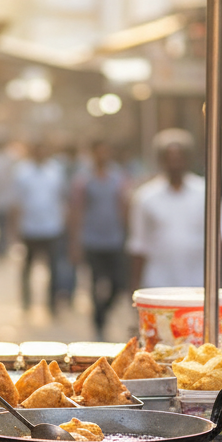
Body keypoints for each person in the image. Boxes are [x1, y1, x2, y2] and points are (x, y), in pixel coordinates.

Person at [127, 128, 222, 290]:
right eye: (169, 158)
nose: (174, 162)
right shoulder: (145, 197)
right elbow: (139, 245)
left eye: (179, 157)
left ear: (187, 159)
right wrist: (135, 283)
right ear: (161, 160)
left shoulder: (206, 192)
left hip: (200, 283)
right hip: (159, 284)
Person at [69, 140, 130, 340]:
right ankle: (98, 324)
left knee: (119, 284)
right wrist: (75, 242)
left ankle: (103, 312)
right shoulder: (84, 180)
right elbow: (77, 210)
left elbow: (123, 207)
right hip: (92, 240)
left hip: (114, 240)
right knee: (95, 284)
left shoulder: (118, 178)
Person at [9, 141, 68, 314]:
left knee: (54, 268)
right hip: (29, 227)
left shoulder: (56, 170)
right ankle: (27, 302)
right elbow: (16, 202)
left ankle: (52, 304)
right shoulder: (22, 172)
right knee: (28, 268)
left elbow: (61, 197)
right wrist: (15, 229)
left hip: (52, 227)